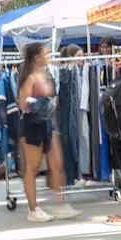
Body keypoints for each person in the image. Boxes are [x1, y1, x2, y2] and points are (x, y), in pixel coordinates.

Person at [18, 42, 82, 222]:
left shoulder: (45, 74)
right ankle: (33, 209)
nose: (48, 55)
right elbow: (22, 104)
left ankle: (60, 204)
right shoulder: (30, 77)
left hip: (47, 124)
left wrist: (48, 105)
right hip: (32, 125)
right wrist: (40, 104)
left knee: (57, 164)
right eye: (45, 53)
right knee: (33, 167)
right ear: (37, 57)